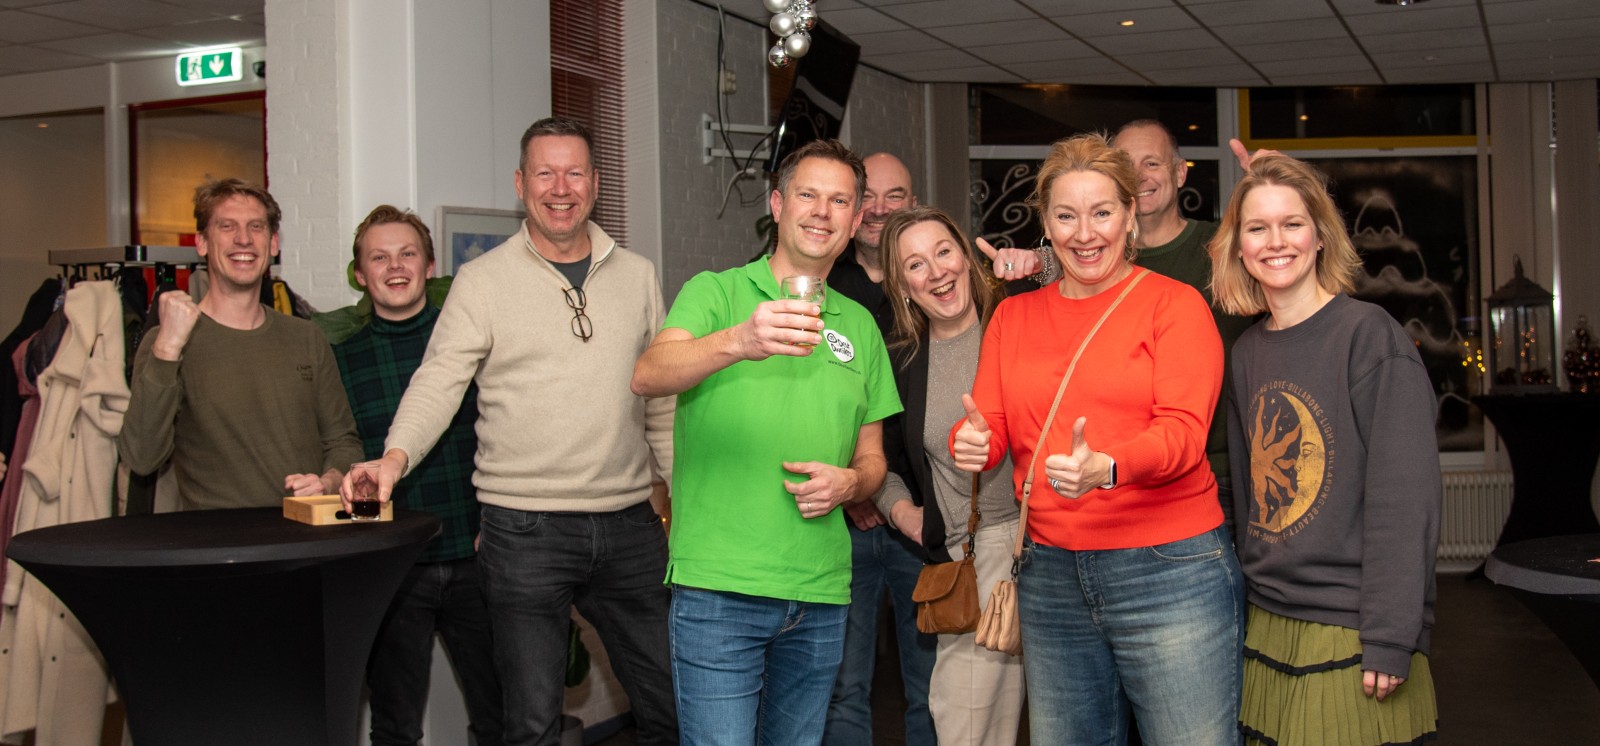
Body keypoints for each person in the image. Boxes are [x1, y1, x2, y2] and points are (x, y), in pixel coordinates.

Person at [341, 117, 678, 746]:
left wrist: (684, 491)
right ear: (521, 184)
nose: (560, 188)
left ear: (595, 183)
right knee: (528, 726)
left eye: (574, 173)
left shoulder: (638, 274)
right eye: (545, 173)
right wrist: (394, 458)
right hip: (524, 532)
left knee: (673, 708)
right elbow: (439, 380)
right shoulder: (482, 280)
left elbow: (660, 398)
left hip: (629, 526)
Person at [952, 133, 1242, 745]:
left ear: (1130, 215)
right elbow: (991, 424)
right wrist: (971, 442)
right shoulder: (1013, 316)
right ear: (1045, 224)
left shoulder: (1175, 305)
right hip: (1050, 573)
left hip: (1169, 569)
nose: (1085, 234)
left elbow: (1184, 434)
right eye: (1066, 216)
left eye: (1102, 212)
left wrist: (1108, 466)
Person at [630, 139, 901, 745]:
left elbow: (873, 459)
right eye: (808, 195)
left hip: (820, 592)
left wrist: (852, 483)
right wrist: (740, 341)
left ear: (856, 220)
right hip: (720, 591)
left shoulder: (860, 326)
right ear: (778, 205)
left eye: (840, 201)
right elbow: (647, 374)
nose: (822, 212)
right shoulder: (717, 293)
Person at [1211, 154, 1440, 745]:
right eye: (1257, 228)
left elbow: (1403, 501)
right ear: (1239, 248)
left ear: (1319, 237)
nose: (1275, 241)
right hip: (1268, 622)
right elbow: (1251, 495)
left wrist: (1390, 634)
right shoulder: (1247, 352)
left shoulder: (1369, 336)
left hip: (1350, 625)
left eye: (1292, 223)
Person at [988, 121, 1257, 523]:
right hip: (1079, 510)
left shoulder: (1222, 248)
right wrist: (1040, 263)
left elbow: (1295, 262)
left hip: (1216, 468)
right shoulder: (1084, 259)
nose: (1139, 175)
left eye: (1152, 163)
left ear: (1179, 173)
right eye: (1127, 165)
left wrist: (1274, 189)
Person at [332, 205, 503, 746]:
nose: (395, 267)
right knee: (395, 726)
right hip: (393, 569)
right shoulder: (341, 359)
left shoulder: (471, 345)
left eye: (408, 254)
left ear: (430, 266)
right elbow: (336, 448)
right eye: (379, 258)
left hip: (478, 557)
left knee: (502, 719)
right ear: (361, 274)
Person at [119, 178, 363, 510]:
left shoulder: (306, 337)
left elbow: (343, 442)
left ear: (273, 243)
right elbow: (142, 457)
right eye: (227, 226)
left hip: (306, 534)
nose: (244, 239)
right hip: (219, 540)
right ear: (202, 243)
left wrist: (328, 482)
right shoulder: (167, 342)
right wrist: (167, 349)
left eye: (256, 227)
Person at [877, 206, 1024, 745]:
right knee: (968, 725)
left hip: (1056, 543)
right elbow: (880, 463)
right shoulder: (901, 361)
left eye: (943, 252)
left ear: (966, 255)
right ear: (903, 287)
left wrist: (1038, 263)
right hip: (974, 559)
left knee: (1073, 719)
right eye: (916, 265)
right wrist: (905, 514)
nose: (937, 271)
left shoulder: (1020, 319)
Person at [822, 151, 936, 746]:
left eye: (897, 196)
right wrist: (856, 485)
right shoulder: (818, 286)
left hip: (920, 521)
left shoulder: (930, 283)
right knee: (843, 685)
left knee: (930, 686)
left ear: (913, 204)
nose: (880, 209)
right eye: (868, 195)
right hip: (841, 520)